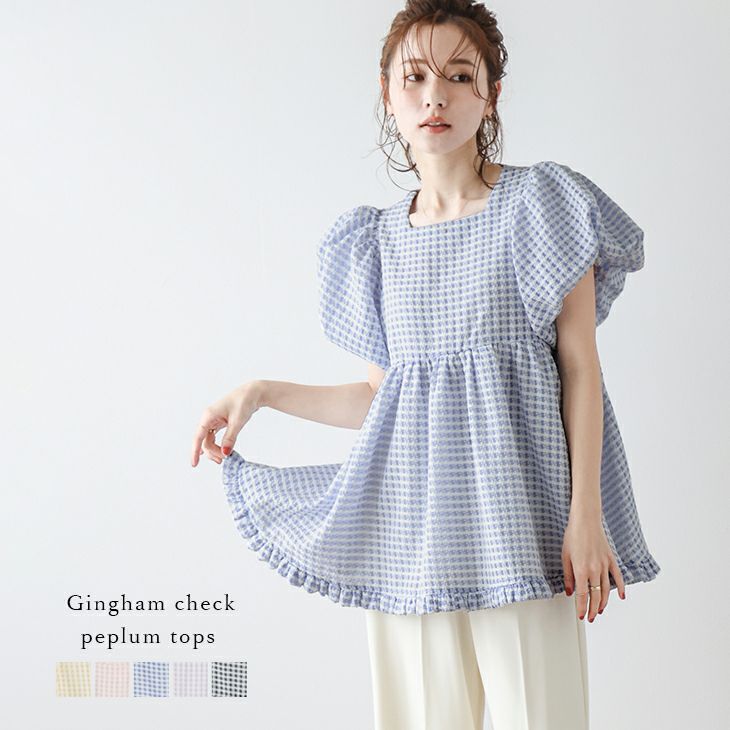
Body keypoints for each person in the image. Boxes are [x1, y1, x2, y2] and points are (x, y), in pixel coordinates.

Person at [190, 1, 660, 727]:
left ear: (491, 95)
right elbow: (385, 402)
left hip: (524, 532)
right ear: (388, 93)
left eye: (459, 76)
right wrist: (261, 392)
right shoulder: (372, 245)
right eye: (414, 77)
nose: (435, 96)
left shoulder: (541, 206)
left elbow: (580, 371)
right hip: (409, 542)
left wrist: (585, 518)